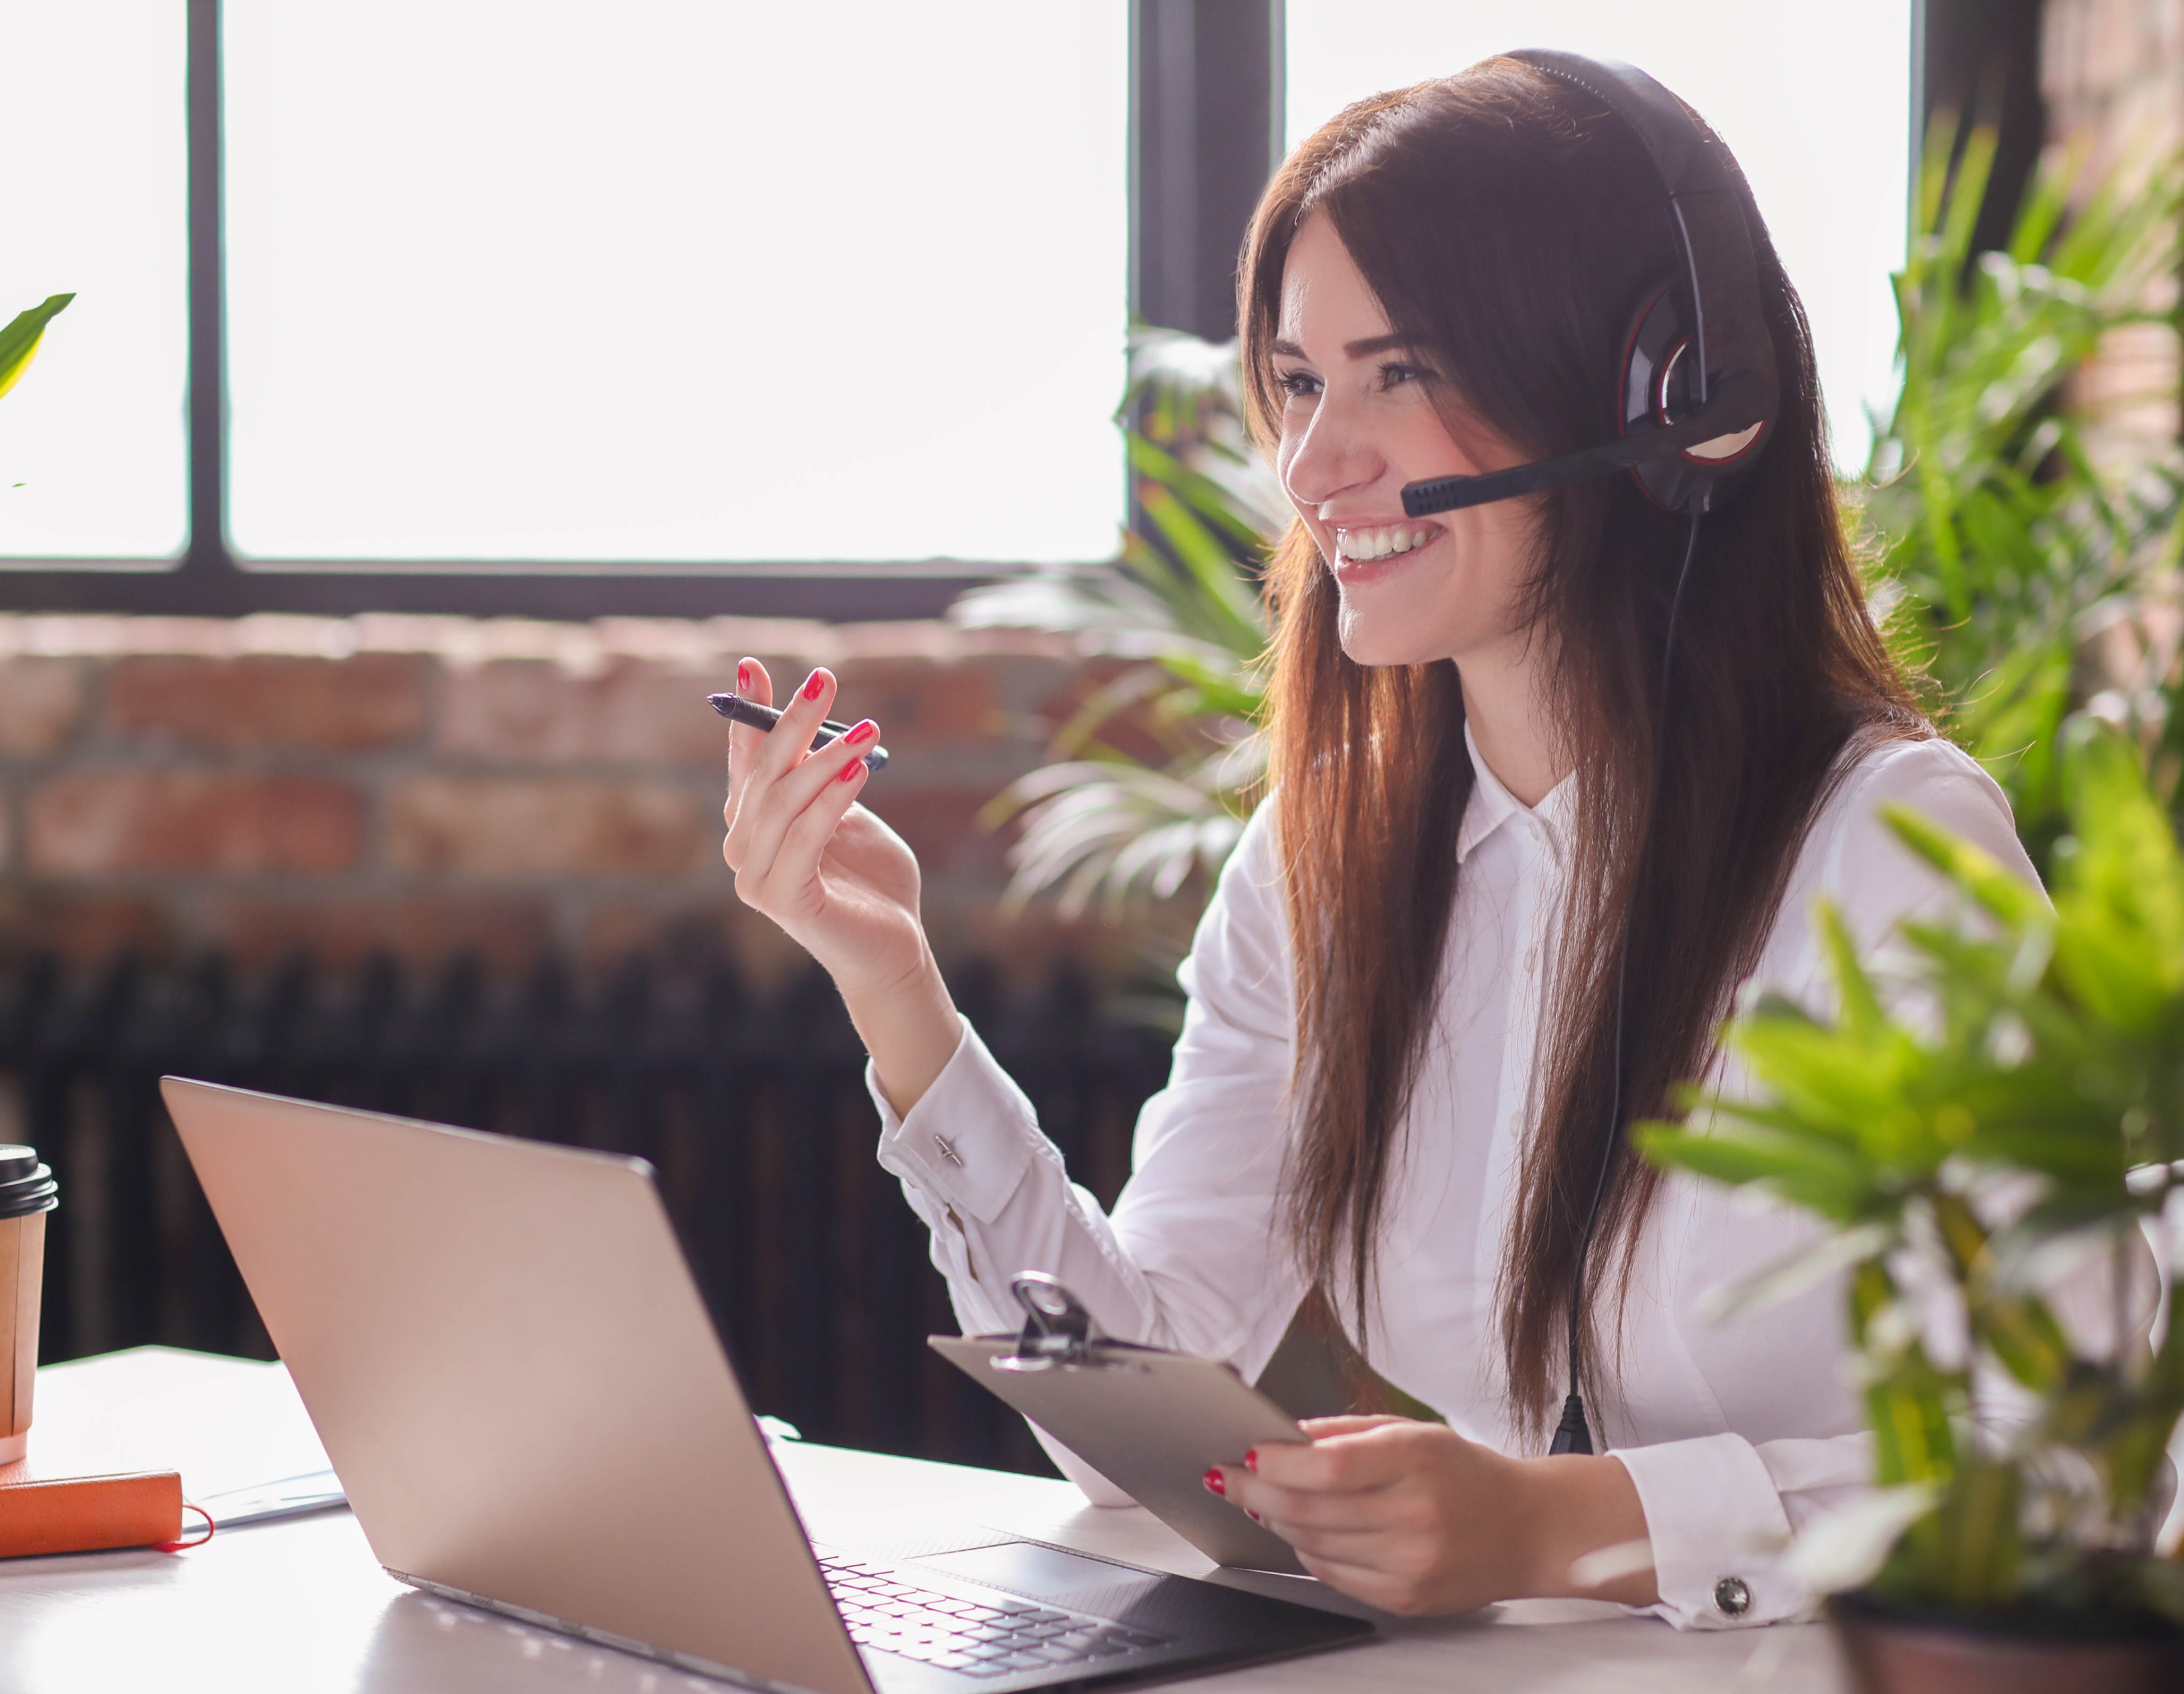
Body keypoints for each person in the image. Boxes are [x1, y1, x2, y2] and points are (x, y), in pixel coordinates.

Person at [719, 59, 2049, 1627]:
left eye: (1399, 371)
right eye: (1298, 381)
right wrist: (899, 1002)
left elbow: (2065, 1471)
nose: (1310, 465)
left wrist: (1573, 1529)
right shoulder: (1325, 854)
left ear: (1657, 403)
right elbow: (1143, 1378)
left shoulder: (1885, 848)